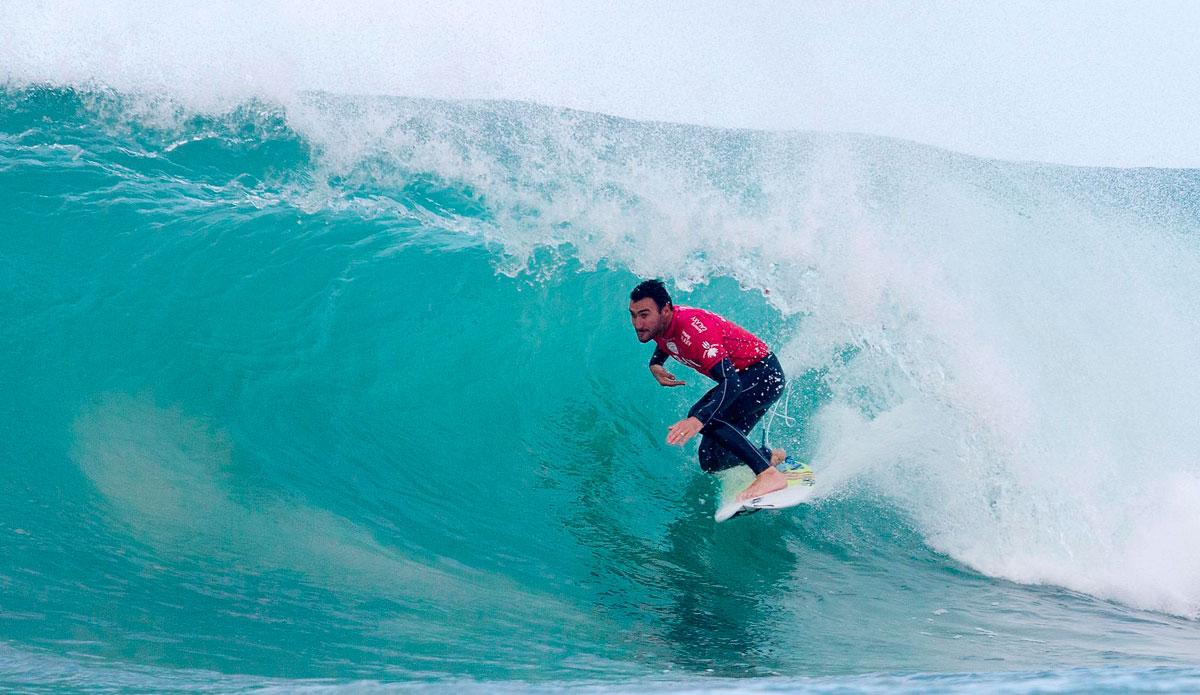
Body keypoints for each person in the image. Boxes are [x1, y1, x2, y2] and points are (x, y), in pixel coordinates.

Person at [628, 279, 789, 501]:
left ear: (665, 310)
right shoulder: (663, 323)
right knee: (711, 460)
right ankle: (767, 457)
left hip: (763, 376)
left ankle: (768, 475)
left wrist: (698, 420)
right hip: (747, 379)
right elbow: (665, 337)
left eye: (644, 315)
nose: (637, 323)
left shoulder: (694, 331)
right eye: (633, 315)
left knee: (702, 416)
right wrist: (656, 362)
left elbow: (731, 384)